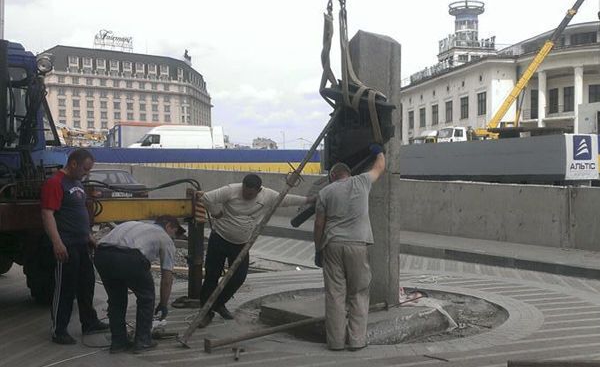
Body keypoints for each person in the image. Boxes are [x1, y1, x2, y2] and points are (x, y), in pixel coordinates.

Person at [197, 174, 314, 327]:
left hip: (241, 244)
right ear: (242, 186)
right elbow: (206, 198)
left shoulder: (267, 195)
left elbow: (286, 200)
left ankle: (218, 303)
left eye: (250, 194)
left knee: (239, 278)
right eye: (244, 192)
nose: (246, 195)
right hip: (219, 238)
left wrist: (308, 200)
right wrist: (216, 213)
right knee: (212, 276)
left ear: (258, 190)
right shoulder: (231, 190)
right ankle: (206, 312)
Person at [313, 144, 386, 351]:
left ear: (332, 176)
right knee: (359, 293)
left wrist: (318, 250)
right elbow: (380, 167)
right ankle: (356, 341)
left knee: (335, 294)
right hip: (357, 244)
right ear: (348, 174)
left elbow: (319, 224)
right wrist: (378, 151)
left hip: (332, 245)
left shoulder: (325, 192)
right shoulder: (361, 181)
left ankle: (335, 342)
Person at [40, 148, 108, 345]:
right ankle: (59, 329)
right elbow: (48, 214)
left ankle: (89, 322)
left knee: (86, 285)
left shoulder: (77, 183)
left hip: (82, 244)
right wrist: (57, 242)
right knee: (65, 289)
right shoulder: (55, 183)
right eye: (85, 169)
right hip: (67, 244)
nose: (87, 173)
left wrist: (88, 236)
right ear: (73, 164)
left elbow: (79, 213)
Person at [94, 216, 184, 353]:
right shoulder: (165, 237)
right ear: (169, 226)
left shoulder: (133, 224)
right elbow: (167, 277)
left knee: (116, 300)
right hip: (129, 257)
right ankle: (142, 341)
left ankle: (118, 342)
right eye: (174, 232)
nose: (173, 237)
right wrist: (164, 304)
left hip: (102, 254)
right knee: (146, 298)